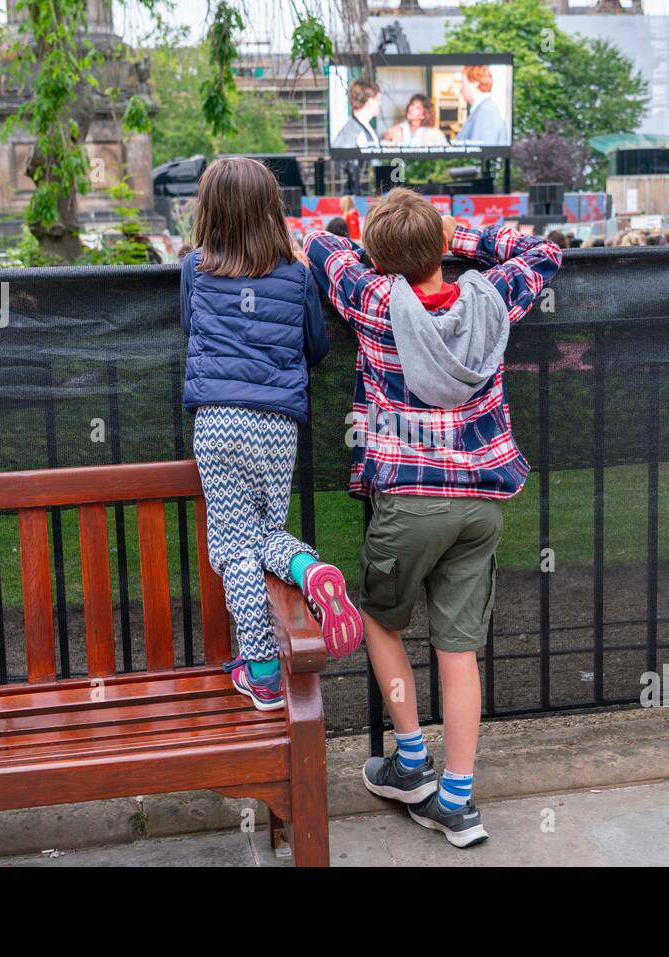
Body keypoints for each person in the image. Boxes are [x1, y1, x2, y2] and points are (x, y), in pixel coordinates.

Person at [303, 188, 561, 847]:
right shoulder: (492, 296)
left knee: (380, 621)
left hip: (410, 498)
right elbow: (544, 249)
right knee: (460, 649)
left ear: (384, 258)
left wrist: (375, 250)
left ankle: (410, 757)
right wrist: (460, 237)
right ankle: (456, 800)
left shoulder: (373, 299)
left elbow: (321, 245)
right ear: (441, 246)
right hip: (481, 501)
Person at [181, 156, 364, 711]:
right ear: (271, 210)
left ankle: (262, 672)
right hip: (278, 424)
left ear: (209, 211)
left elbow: (191, 329)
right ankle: (308, 569)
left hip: (217, 419)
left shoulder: (196, 267)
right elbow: (316, 345)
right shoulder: (297, 273)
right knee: (258, 534)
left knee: (233, 546)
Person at [453, 65, 509, 146]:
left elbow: (479, 154)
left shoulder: (486, 113)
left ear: (475, 84)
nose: (460, 88)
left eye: (463, 83)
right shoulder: (483, 109)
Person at [332, 78, 382, 150]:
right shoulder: (352, 133)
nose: (380, 103)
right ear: (369, 101)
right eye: (378, 100)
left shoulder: (363, 126)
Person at [384, 94, 448, 147]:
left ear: (424, 115)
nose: (411, 108)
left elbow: (446, 154)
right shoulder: (396, 130)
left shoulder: (435, 133)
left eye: (417, 108)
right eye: (412, 105)